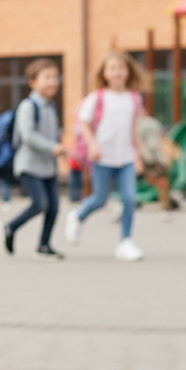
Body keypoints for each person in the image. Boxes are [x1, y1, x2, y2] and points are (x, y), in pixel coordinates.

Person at [65, 51, 146, 261]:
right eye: (112, 68)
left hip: (126, 157)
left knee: (129, 198)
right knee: (100, 199)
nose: (117, 72)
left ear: (129, 71)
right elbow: (83, 123)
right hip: (102, 157)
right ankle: (77, 216)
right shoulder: (97, 97)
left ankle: (126, 242)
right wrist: (92, 145)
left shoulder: (134, 98)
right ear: (105, 73)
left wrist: (138, 156)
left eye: (121, 68)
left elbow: (134, 129)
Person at [0, 59, 67, 260]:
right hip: (28, 165)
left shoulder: (51, 107)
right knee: (40, 203)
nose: (52, 82)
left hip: (48, 166)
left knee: (53, 207)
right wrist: (52, 147)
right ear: (33, 82)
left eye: (55, 77)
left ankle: (43, 246)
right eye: (47, 78)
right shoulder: (28, 106)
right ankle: (10, 227)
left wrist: (59, 148)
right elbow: (27, 135)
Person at [137, 114, 180, 217]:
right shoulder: (149, 130)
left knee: (160, 181)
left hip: (147, 158)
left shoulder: (142, 128)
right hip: (151, 160)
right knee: (160, 181)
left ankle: (166, 205)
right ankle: (166, 205)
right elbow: (153, 146)